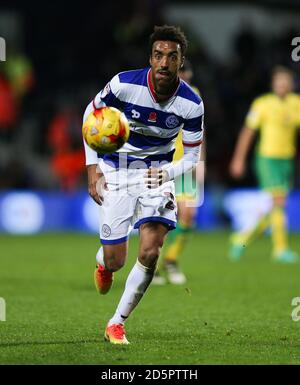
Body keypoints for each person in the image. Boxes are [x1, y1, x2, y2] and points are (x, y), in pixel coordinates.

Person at [83, 25, 204, 344]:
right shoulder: (124, 84)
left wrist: (168, 174)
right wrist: (92, 167)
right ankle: (104, 265)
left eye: (172, 57)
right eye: (159, 55)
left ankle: (117, 323)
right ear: (150, 58)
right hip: (117, 170)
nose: (164, 63)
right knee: (116, 260)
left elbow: (192, 158)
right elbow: (91, 112)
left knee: (151, 252)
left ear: (182, 61)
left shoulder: (191, 105)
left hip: (157, 174)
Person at [229, 66, 300, 263]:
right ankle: (280, 249)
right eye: (279, 82)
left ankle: (241, 238)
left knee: (275, 206)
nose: (282, 85)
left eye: (286, 82)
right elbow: (248, 132)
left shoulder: (296, 103)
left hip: (286, 160)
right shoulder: (263, 104)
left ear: (291, 84)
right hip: (267, 159)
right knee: (278, 202)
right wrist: (238, 159)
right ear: (273, 84)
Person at [152, 60, 204, 285]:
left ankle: (171, 260)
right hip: (164, 164)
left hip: (186, 164)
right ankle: (151, 264)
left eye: (186, 72)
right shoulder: (157, 93)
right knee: (160, 217)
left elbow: (201, 132)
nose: (183, 75)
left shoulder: (194, 96)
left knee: (188, 216)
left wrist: (201, 162)